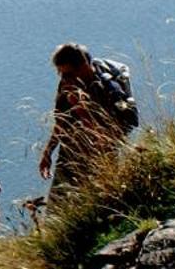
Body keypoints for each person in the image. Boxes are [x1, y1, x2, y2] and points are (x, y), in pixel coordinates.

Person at [38, 42, 126, 195]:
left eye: (67, 73)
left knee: (99, 204)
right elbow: (62, 121)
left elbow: (109, 136)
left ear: (84, 66)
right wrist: (48, 153)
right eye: (60, 73)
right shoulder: (67, 84)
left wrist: (81, 108)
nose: (63, 78)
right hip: (68, 156)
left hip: (98, 160)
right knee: (57, 209)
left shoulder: (105, 90)